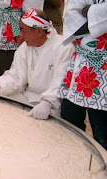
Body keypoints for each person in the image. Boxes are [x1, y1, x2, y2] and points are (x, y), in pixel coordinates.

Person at [0, 9, 74, 120]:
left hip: (51, 104)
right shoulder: (25, 47)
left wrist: (48, 102)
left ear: (39, 32)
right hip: (27, 97)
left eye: (24, 31)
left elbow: (61, 82)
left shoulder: (64, 48)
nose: (21, 36)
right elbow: (15, 77)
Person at [58, 1, 107, 149]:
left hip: (103, 69)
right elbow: (73, 22)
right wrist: (96, 16)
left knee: (102, 129)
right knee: (69, 120)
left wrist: (89, 12)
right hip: (80, 64)